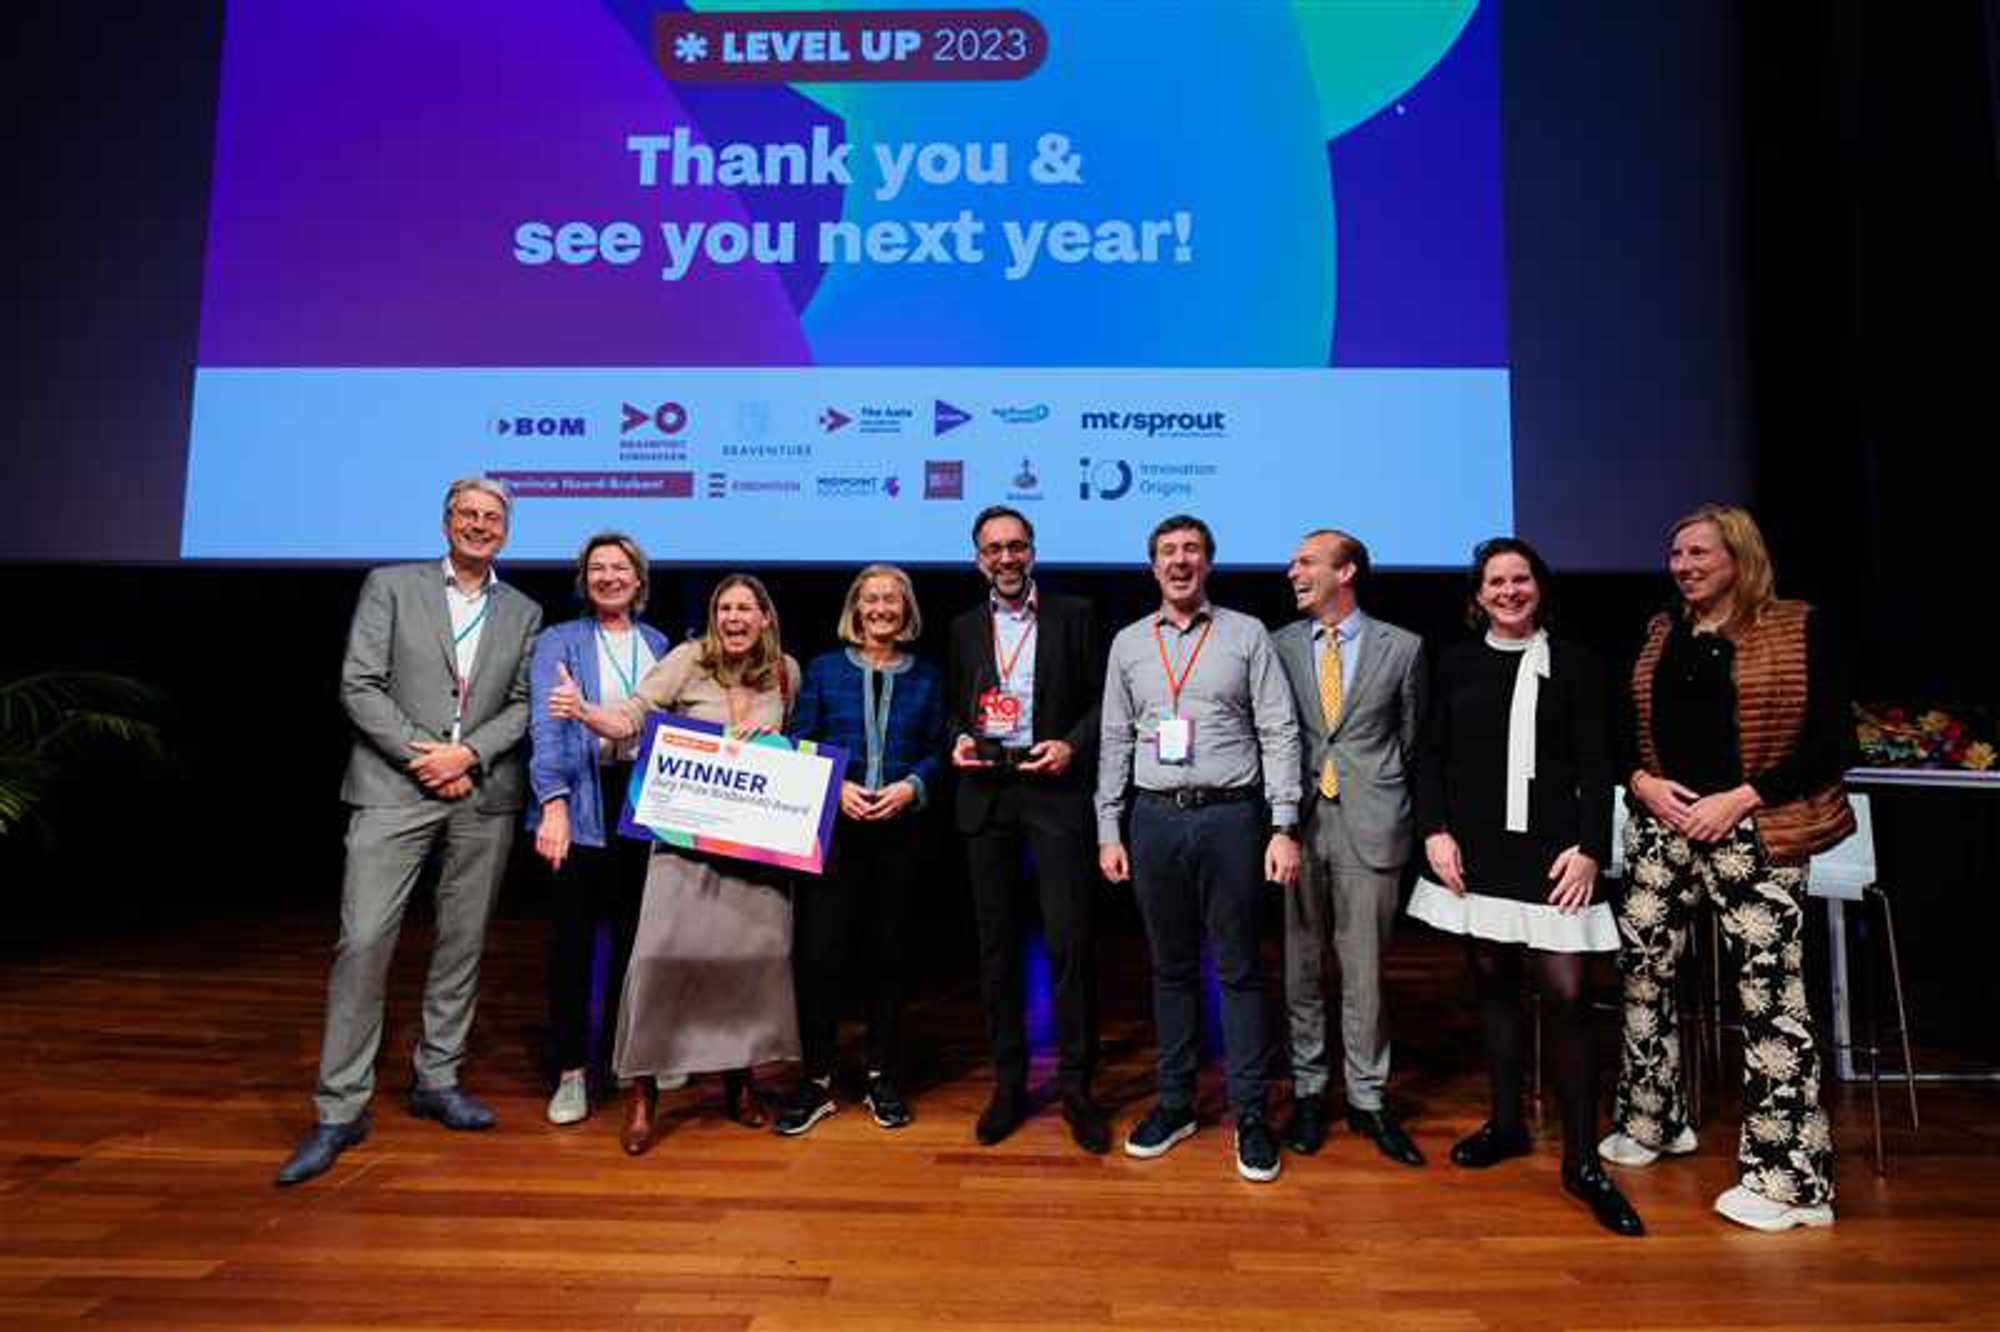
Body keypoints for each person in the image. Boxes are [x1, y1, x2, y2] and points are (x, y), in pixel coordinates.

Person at [276, 477, 543, 1186]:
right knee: (363, 941)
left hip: (480, 793)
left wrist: (469, 755)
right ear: (447, 521)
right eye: (468, 514)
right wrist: (425, 757)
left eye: (492, 517)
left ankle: (437, 1079)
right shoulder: (390, 586)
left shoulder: (524, 611)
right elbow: (359, 683)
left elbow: (524, 704)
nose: (479, 525)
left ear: (506, 531)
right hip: (393, 789)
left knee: (462, 944)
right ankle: (339, 1108)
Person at [1604, 503, 1852, 1232]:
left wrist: (1741, 799)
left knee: (1771, 998)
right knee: (1642, 972)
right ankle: (1652, 1120)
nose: (1683, 566)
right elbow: (1624, 729)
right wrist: (1642, 782)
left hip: (1755, 828)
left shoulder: (1799, 626)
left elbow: (1831, 742)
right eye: (1676, 554)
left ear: (1739, 556)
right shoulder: (1661, 631)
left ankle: (1792, 1183)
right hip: (1664, 827)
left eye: (1699, 553)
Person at [1409, 538, 1642, 1236]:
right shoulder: (1454, 663)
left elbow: (1599, 765)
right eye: (1496, 582)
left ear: (1539, 587)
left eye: (1521, 579)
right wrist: (1434, 832)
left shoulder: (1576, 663)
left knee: (1568, 996)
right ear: (1478, 595)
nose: (1509, 591)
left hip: (1556, 855)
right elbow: (1429, 756)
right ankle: (1507, 1124)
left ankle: (1582, 1162)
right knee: (1493, 985)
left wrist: (1592, 850)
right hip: (1476, 853)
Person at [548, 574, 803, 1155]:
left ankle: (740, 1084)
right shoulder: (687, 660)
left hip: (753, 851)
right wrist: (586, 712)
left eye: (745, 608)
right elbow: (633, 715)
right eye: (724, 608)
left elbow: (796, 748)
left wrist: (775, 744)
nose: (734, 618)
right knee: (655, 962)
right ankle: (643, 1094)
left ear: (765, 617)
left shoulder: (786, 672)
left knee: (746, 964)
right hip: (682, 841)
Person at [1098, 514, 1301, 1182]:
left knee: (1239, 969)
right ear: (1152, 566)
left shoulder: (1246, 634)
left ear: (1208, 563)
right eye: (1167, 551)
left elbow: (1279, 729)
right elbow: (1115, 739)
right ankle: (1176, 1102)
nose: (1179, 561)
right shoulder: (1129, 643)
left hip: (1231, 817)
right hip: (1154, 819)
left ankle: (1251, 1115)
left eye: (1191, 550)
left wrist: (1283, 824)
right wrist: (1108, 828)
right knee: (1171, 969)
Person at [946, 506, 1110, 1153]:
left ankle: (1076, 1087)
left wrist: (1072, 746)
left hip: (1055, 791)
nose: (1006, 559)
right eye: (994, 549)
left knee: (1071, 945)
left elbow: (1104, 701)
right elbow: (952, 708)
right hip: (987, 793)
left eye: (1016, 546)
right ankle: (1009, 1083)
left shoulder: (1075, 615)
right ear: (978, 559)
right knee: (996, 950)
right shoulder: (963, 627)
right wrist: (958, 737)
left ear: (1033, 551)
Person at [1270, 529, 1427, 1167]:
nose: (1293, 572)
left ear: (1347, 571)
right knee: (1301, 969)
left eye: (1306, 562)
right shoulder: (1279, 645)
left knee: (1365, 972)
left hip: (1372, 821)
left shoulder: (1403, 647)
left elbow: (1410, 738)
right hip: (1300, 826)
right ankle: (1310, 1092)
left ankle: (1368, 1098)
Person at [776, 564, 946, 1135]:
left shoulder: (927, 675)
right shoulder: (825, 670)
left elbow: (937, 749)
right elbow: (800, 740)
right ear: (855, 608)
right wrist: (835, 786)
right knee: (820, 956)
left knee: (889, 956)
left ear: (906, 611)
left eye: (891, 600)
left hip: (901, 832)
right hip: (835, 832)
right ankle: (817, 1079)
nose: (880, 609)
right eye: (870, 599)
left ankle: (882, 1075)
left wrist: (912, 787)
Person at [526, 533, 672, 1126]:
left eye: (619, 568)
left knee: (636, 943)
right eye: (597, 569)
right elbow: (547, 726)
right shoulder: (558, 640)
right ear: (584, 580)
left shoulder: (658, 643)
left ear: (638, 579)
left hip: (640, 804)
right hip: (580, 800)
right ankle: (570, 1072)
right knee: (573, 946)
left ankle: (622, 1058)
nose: (608, 577)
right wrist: (553, 804)